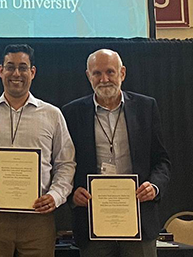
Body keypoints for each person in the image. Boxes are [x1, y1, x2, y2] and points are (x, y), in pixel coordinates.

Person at [0, 44, 76, 257]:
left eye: (23, 67)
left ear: (33, 72)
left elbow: (65, 163)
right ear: (0, 71)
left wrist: (56, 195)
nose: (16, 73)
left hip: (38, 218)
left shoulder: (53, 115)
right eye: (10, 67)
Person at [61, 49, 171, 257]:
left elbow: (161, 160)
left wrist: (154, 186)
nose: (104, 79)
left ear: (122, 73)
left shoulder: (146, 107)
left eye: (110, 72)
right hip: (93, 222)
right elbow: (62, 163)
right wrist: (72, 193)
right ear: (88, 76)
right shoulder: (72, 113)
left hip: (138, 219)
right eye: (97, 73)